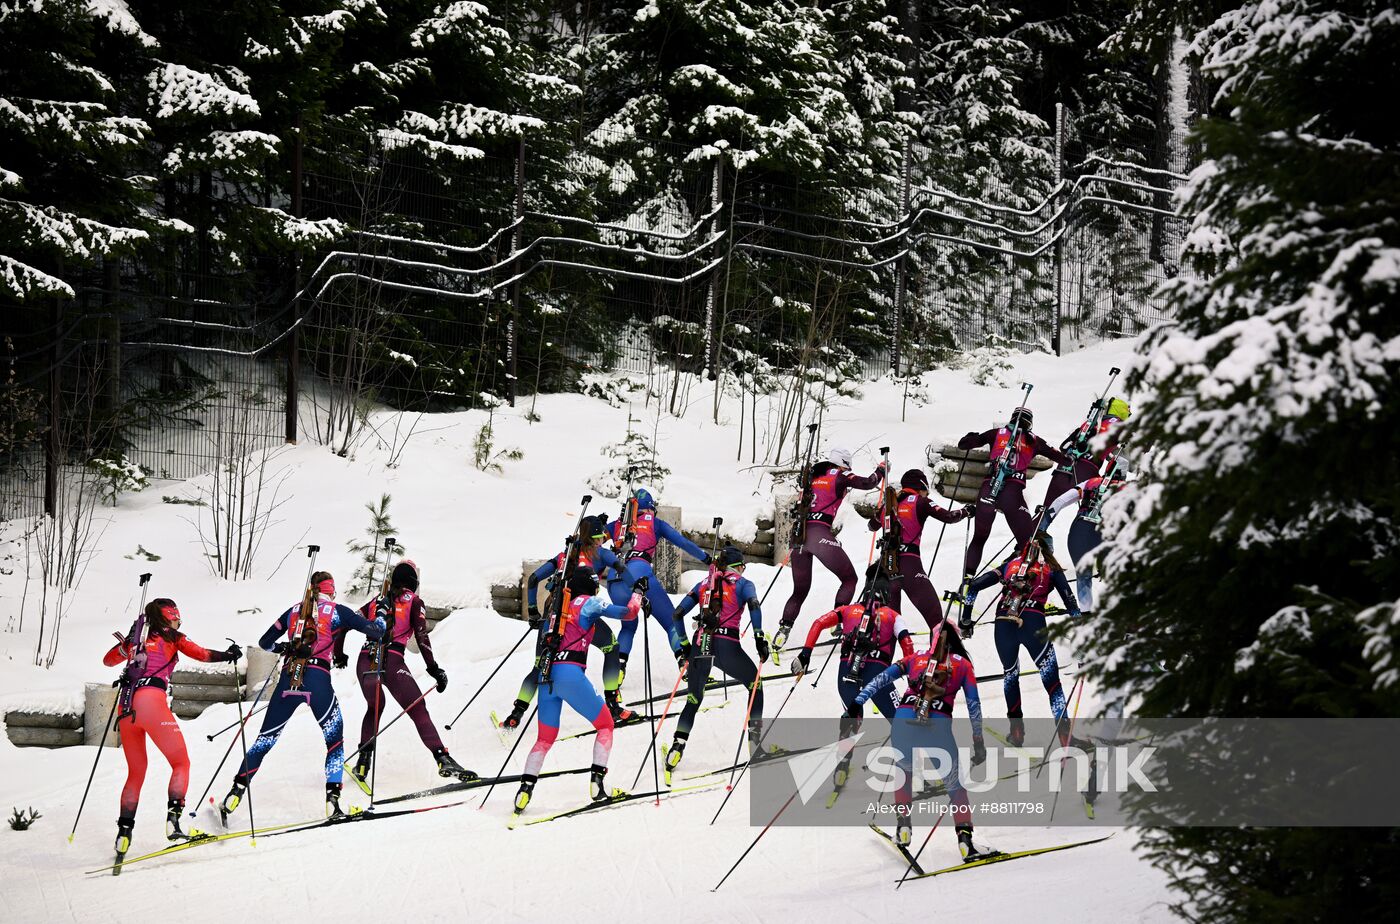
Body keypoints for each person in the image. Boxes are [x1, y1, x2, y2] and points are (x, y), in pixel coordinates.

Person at [221, 572, 384, 821]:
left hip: (288, 680)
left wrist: (282, 648)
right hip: (317, 679)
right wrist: (381, 613)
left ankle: (235, 793)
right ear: (330, 590)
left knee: (264, 741)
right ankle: (332, 802)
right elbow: (376, 631)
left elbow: (265, 642)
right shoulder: (337, 611)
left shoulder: (294, 610)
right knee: (334, 741)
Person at [104, 600, 241, 854]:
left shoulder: (136, 639)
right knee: (181, 763)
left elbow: (108, 661)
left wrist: (126, 647)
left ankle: (123, 835)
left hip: (126, 708)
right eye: (178, 619)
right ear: (171, 617)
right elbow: (201, 654)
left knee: (136, 773)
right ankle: (174, 823)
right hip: (150, 703)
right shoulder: (172, 636)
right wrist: (229, 655)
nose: (180, 623)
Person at [852, 621, 997, 860]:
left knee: (904, 771)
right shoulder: (963, 665)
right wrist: (978, 740)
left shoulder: (915, 658)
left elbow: (881, 680)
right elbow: (974, 706)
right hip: (937, 725)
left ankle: (904, 828)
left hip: (903, 720)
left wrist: (858, 701)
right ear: (955, 640)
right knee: (954, 785)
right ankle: (965, 841)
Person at [512, 567, 642, 817]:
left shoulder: (558, 609)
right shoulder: (588, 603)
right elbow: (628, 613)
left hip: (546, 678)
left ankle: (524, 793)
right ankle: (597, 786)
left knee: (544, 739)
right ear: (591, 587)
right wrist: (637, 594)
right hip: (570, 674)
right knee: (605, 725)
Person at [335, 559, 472, 792]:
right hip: (392, 661)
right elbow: (422, 636)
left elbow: (344, 624)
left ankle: (362, 763)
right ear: (413, 583)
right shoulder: (415, 602)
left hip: (365, 660)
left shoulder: (375, 602)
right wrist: (433, 668)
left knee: (375, 707)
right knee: (418, 708)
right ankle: (442, 758)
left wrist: (339, 654)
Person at [499, 516, 632, 730]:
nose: (601, 541)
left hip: (552, 616)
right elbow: (622, 569)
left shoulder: (564, 554)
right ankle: (613, 705)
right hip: (580, 615)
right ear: (595, 539)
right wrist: (638, 591)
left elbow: (533, 579)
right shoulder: (599, 554)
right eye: (599, 538)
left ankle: (516, 714)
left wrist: (533, 612)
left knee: (540, 666)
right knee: (612, 647)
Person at [791, 567, 915, 791]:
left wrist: (805, 654)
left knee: (852, 717)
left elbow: (818, 623)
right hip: (879, 674)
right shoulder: (893, 616)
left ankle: (841, 769)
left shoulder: (848, 610)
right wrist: (913, 677)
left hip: (847, 671)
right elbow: (907, 643)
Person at [662, 546, 769, 783]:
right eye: (743, 565)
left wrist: (684, 646)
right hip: (728, 646)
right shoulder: (743, 583)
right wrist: (759, 638)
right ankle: (755, 743)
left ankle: (677, 748)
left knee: (693, 699)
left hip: (701, 645)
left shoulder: (704, 583)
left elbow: (677, 614)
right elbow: (754, 606)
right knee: (755, 687)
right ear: (738, 565)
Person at [963, 534, 1079, 747]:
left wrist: (966, 619)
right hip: (1033, 623)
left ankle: (1016, 732)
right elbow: (1070, 601)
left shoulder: (1009, 565)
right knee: (1051, 680)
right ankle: (1064, 734)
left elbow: (973, 586)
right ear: (1048, 551)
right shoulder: (1051, 569)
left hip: (1003, 624)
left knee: (1010, 676)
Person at [956, 407, 1070, 617]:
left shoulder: (996, 433)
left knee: (980, 537)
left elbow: (964, 444)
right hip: (1012, 492)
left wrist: (971, 437)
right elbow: (1063, 459)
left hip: (988, 488)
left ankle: (967, 585)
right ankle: (1021, 584)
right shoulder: (1033, 439)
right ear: (1030, 423)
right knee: (1030, 543)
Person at [772, 447, 889, 652]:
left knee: (800, 590)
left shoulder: (814, 476)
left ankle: (782, 631)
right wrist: (881, 469)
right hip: (819, 534)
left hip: (800, 536)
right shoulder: (840, 474)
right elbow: (868, 482)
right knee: (849, 579)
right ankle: (838, 623)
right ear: (843, 463)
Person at [605, 488, 713, 663]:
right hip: (639, 574)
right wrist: (707, 558)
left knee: (628, 627)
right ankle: (684, 662)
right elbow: (683, 542)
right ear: (649, 509)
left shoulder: (617, 524)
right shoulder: (654, 523)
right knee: (671, 621)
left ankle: (619, 668)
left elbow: (590, 540)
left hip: (614, 580)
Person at [867, 469, 974, 629]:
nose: (926, 494)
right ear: (921, 486)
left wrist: (883, 512)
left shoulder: (888, 504)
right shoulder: (920, 501)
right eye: (926, 491)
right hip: (910, 565)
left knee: (891, 629)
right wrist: (966, 511)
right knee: (937, 622)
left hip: (886, 568)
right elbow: (948, 517)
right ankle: (939, 653)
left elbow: (871, 526)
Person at [1042, 460, 1129, 616]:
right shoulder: (1128, 489)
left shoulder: (1091, 482)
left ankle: (1086, 616)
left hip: (1079, 531)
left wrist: (1043, 525)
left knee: (1083, 576)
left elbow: (1061, 501)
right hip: (1106, 534)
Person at [1042, 397, 1130, 508]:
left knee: (1045, 511)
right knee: (1087, 513)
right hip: (1088, 472)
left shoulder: (1091, 424)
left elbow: (1064, 447)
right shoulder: (1117, 425)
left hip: (1063, 470)